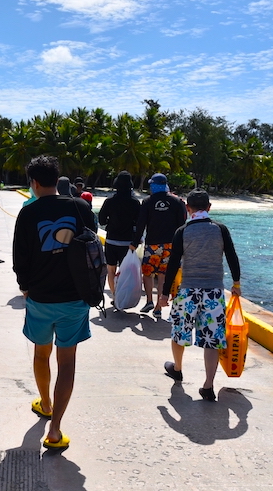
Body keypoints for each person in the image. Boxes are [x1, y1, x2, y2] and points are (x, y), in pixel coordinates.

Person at [13, 155, 96, 451]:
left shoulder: (28, 213)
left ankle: (45, 403)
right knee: (67, 361)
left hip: (41, 297)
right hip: (75, 297)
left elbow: (19, 259)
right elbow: (92, 248)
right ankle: (56, 430)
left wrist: (25, 287)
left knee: (41, 353)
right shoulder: (82, 208)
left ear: (34, 183)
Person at [157, 189, 241, 401]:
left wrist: (164, 293)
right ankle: (208, 385)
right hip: (213, 292)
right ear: (209, 207)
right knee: (211, 339)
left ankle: (177, 368)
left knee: (179, 331)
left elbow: (173, 263)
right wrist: (236, 283)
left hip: (188, 292)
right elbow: (231, 256)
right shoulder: (220, 229)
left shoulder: (182, 231)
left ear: (188, 208)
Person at [129, 173, 185, 319]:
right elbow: (182, 225)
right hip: (170, 246)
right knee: (163, 276)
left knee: (147, 273)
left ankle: (149, 300)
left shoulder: (148, 202)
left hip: (153, 244)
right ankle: (158, 307)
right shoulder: (177, 201)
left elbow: (140, 224)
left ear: (153, 185)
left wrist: (135, 242)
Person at [97, 171, 140, 304]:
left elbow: (102, 221)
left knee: (111, 270)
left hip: (111, 240)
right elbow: (139, 224)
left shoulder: (110, 201)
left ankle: (115, 296)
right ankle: (122, 296)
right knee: (125, 271)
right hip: (128, 242)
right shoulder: (135, 202)